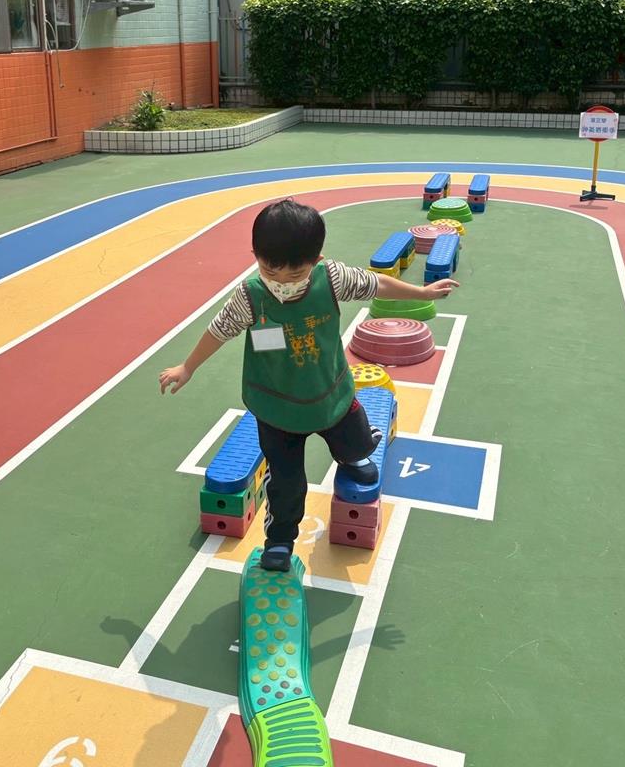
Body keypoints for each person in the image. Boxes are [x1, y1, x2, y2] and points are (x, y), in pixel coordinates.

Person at [160, 199, 458, 571]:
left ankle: (354, 453)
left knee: (357, 441)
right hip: (277, 409)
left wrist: (423, 293)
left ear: (316, 260)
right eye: (270, 269)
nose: (282, 281)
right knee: (286, 485)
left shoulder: (331, 278)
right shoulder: (250, 297)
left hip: (330, 394)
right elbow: (218, 331)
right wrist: (187, 367)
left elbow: (376, 284)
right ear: (256, 256)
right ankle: (279, 542)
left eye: (295, 272)